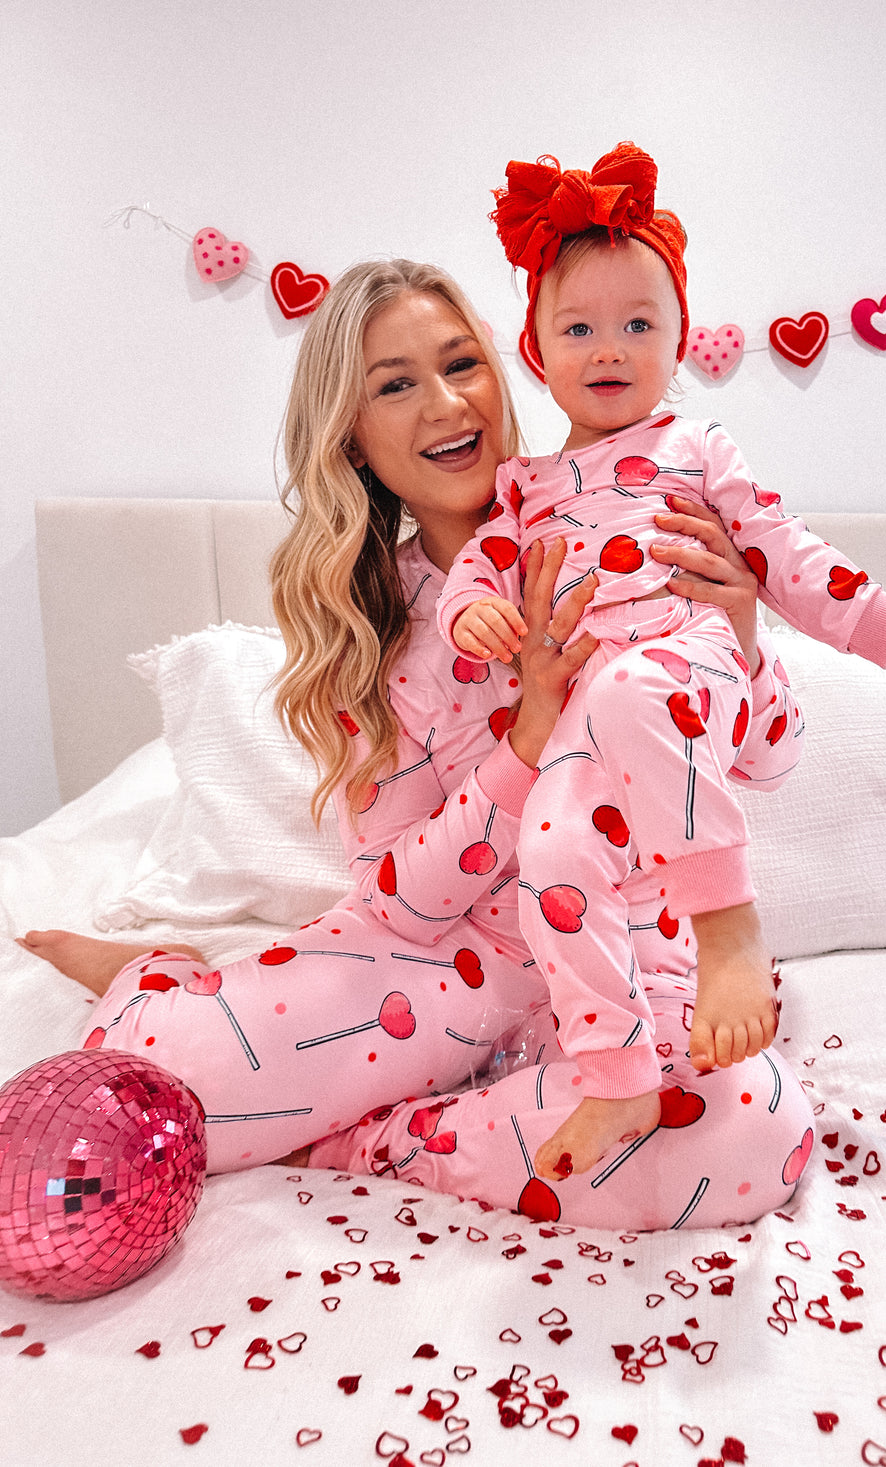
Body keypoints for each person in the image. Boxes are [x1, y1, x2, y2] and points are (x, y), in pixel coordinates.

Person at [17, 255, 815, 1231]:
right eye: (395, 385)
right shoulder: (376, 631)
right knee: (156, 1076)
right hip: (452, 968)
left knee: (752, 1127)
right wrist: (525, 744)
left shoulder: (632, 525)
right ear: (352, 440)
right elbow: (398, 898)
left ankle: (371, 1140)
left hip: (632, 957)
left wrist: (742, 634)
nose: (444, 403)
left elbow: (768, 760)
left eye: (461, 364)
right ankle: (158, 974)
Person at [438, 143, 886, 1182]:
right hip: (587, 726)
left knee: (637, 686)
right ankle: (618, 1074)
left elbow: (784, 551)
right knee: (550, 849)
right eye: (578, 328)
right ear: (535, 350)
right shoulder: (523, 486)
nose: (610, 348)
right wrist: (473, 618)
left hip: (688, 676)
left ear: (680, 336)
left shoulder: (698, 449)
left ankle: (726, 931)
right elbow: (479, 570)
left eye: (639, 324)